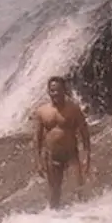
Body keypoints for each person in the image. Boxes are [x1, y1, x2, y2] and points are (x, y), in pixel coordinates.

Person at [32, 76, 93, 210]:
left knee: (78, 189)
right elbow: (37, 138)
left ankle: (84, 218)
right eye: (53, 90)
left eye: (59, 90)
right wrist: (38, 161)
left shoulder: (73, 109)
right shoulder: (42, 112)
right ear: (48, 91)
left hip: (71, 156)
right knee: (55, 193)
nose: (56, 93)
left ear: (64, 91)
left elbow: (85, 133)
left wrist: (87, 156)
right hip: (52, 157)